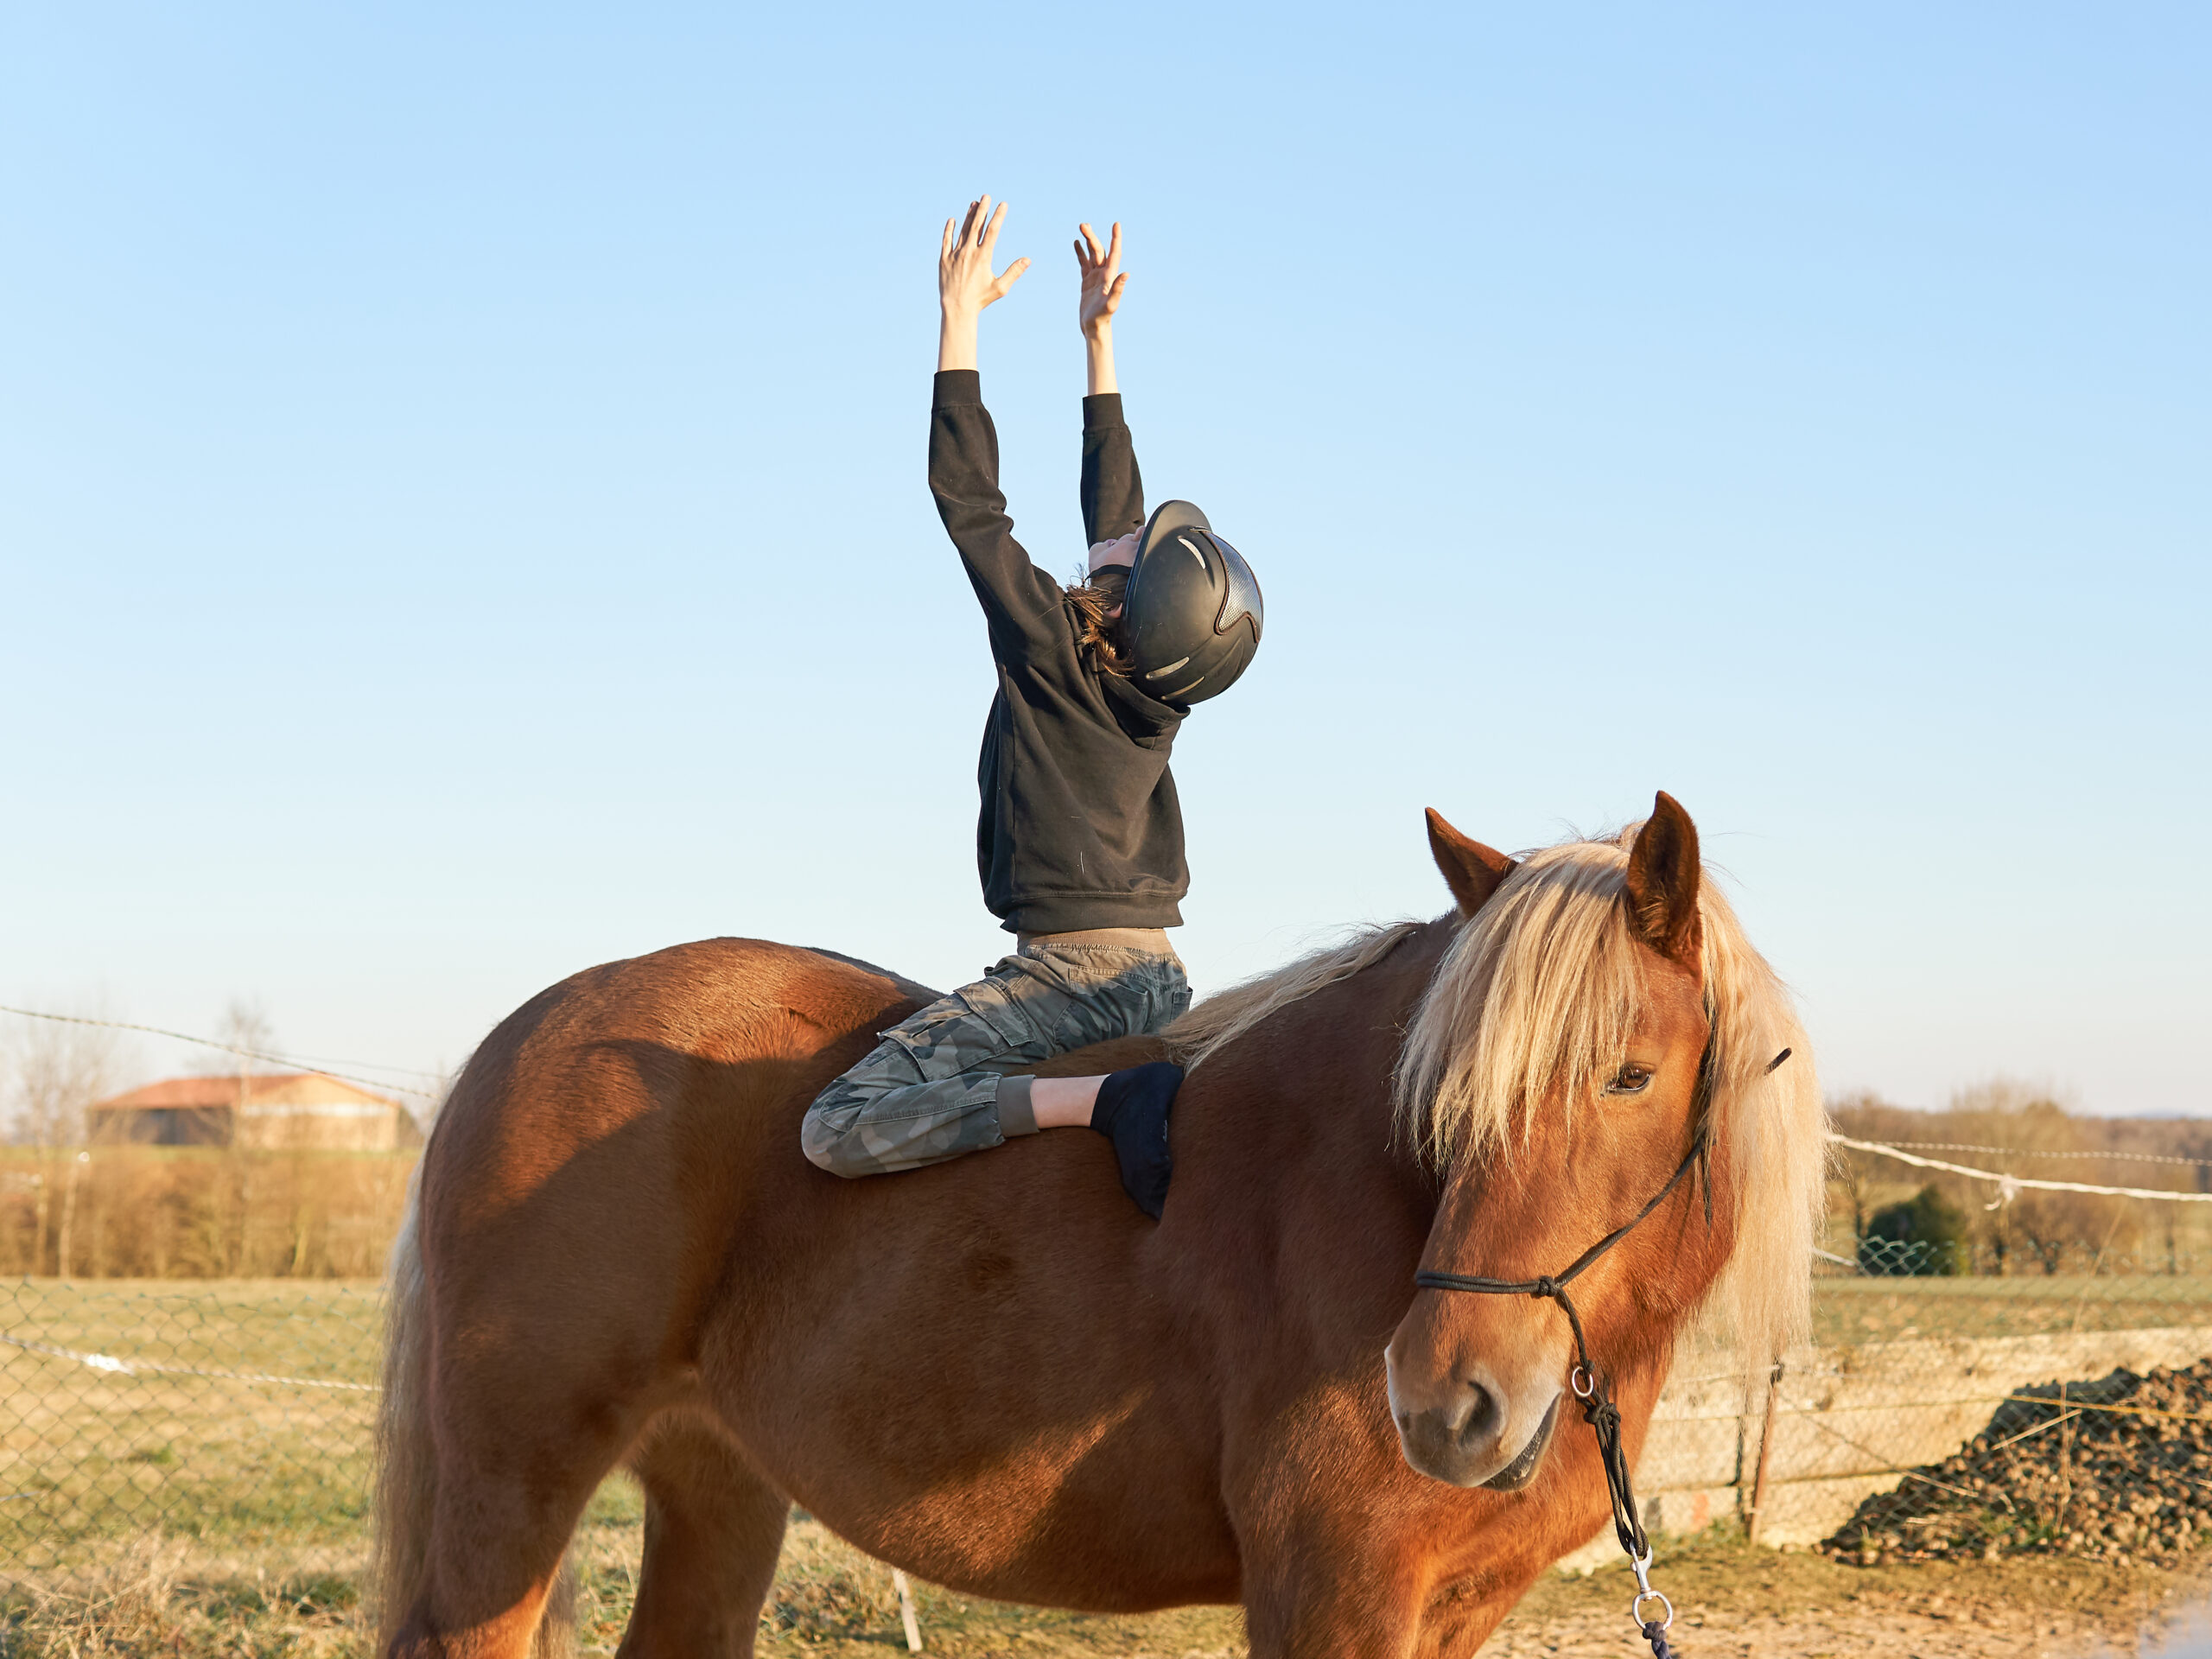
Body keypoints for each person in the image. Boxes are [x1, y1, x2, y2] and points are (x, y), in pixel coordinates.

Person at [800, 196, 1262, 1219]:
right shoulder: (1154, 691)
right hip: (1158, 980)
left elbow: (970, 505)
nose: (1122, 540)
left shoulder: (1050, 652)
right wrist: (1099, 345)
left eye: (1135, 556)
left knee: (835, 1126)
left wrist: (956, 321)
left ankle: (1094, 1103)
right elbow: (1114, 514)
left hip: (1067, 977)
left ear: (1131, 599)